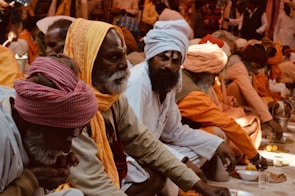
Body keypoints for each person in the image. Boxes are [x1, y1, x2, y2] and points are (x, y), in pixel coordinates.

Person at [63, 18, 233, 196]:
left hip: (113, 174)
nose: (123, 64)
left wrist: (199, 185)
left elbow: (146, 144)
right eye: (113, 57)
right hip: (75, 188)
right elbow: (93, 181)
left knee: (165, 169)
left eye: (123, 54)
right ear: (88, 59)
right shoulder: (73, 107)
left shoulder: (113, 98)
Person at [124, 19, 236, 194]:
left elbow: (174, 132)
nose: (168, 65)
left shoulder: (168, 83)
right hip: (130, 155)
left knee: (198, 151)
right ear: (152, 57)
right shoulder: (138, 83)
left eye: (175, 61)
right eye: (163, 58)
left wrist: (217, 144)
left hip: (152, 150)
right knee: (160, 175)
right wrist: (183, 163)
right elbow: (135, 142)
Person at [0, 54, 98, 195]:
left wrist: (45, 165)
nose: (67, 148)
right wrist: (29, 181)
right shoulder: (3, 135)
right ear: (33, 122)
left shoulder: (27, 106)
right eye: (64, 137)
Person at [175, 41, 268, 169]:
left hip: (174, 135)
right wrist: (255, 156)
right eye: (214, 76)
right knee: (218, 133)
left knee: (229, 125)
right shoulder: (193, 94)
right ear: (204, 73)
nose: (214, 81)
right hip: (168, 146)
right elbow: (225, 123)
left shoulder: (181, 76)